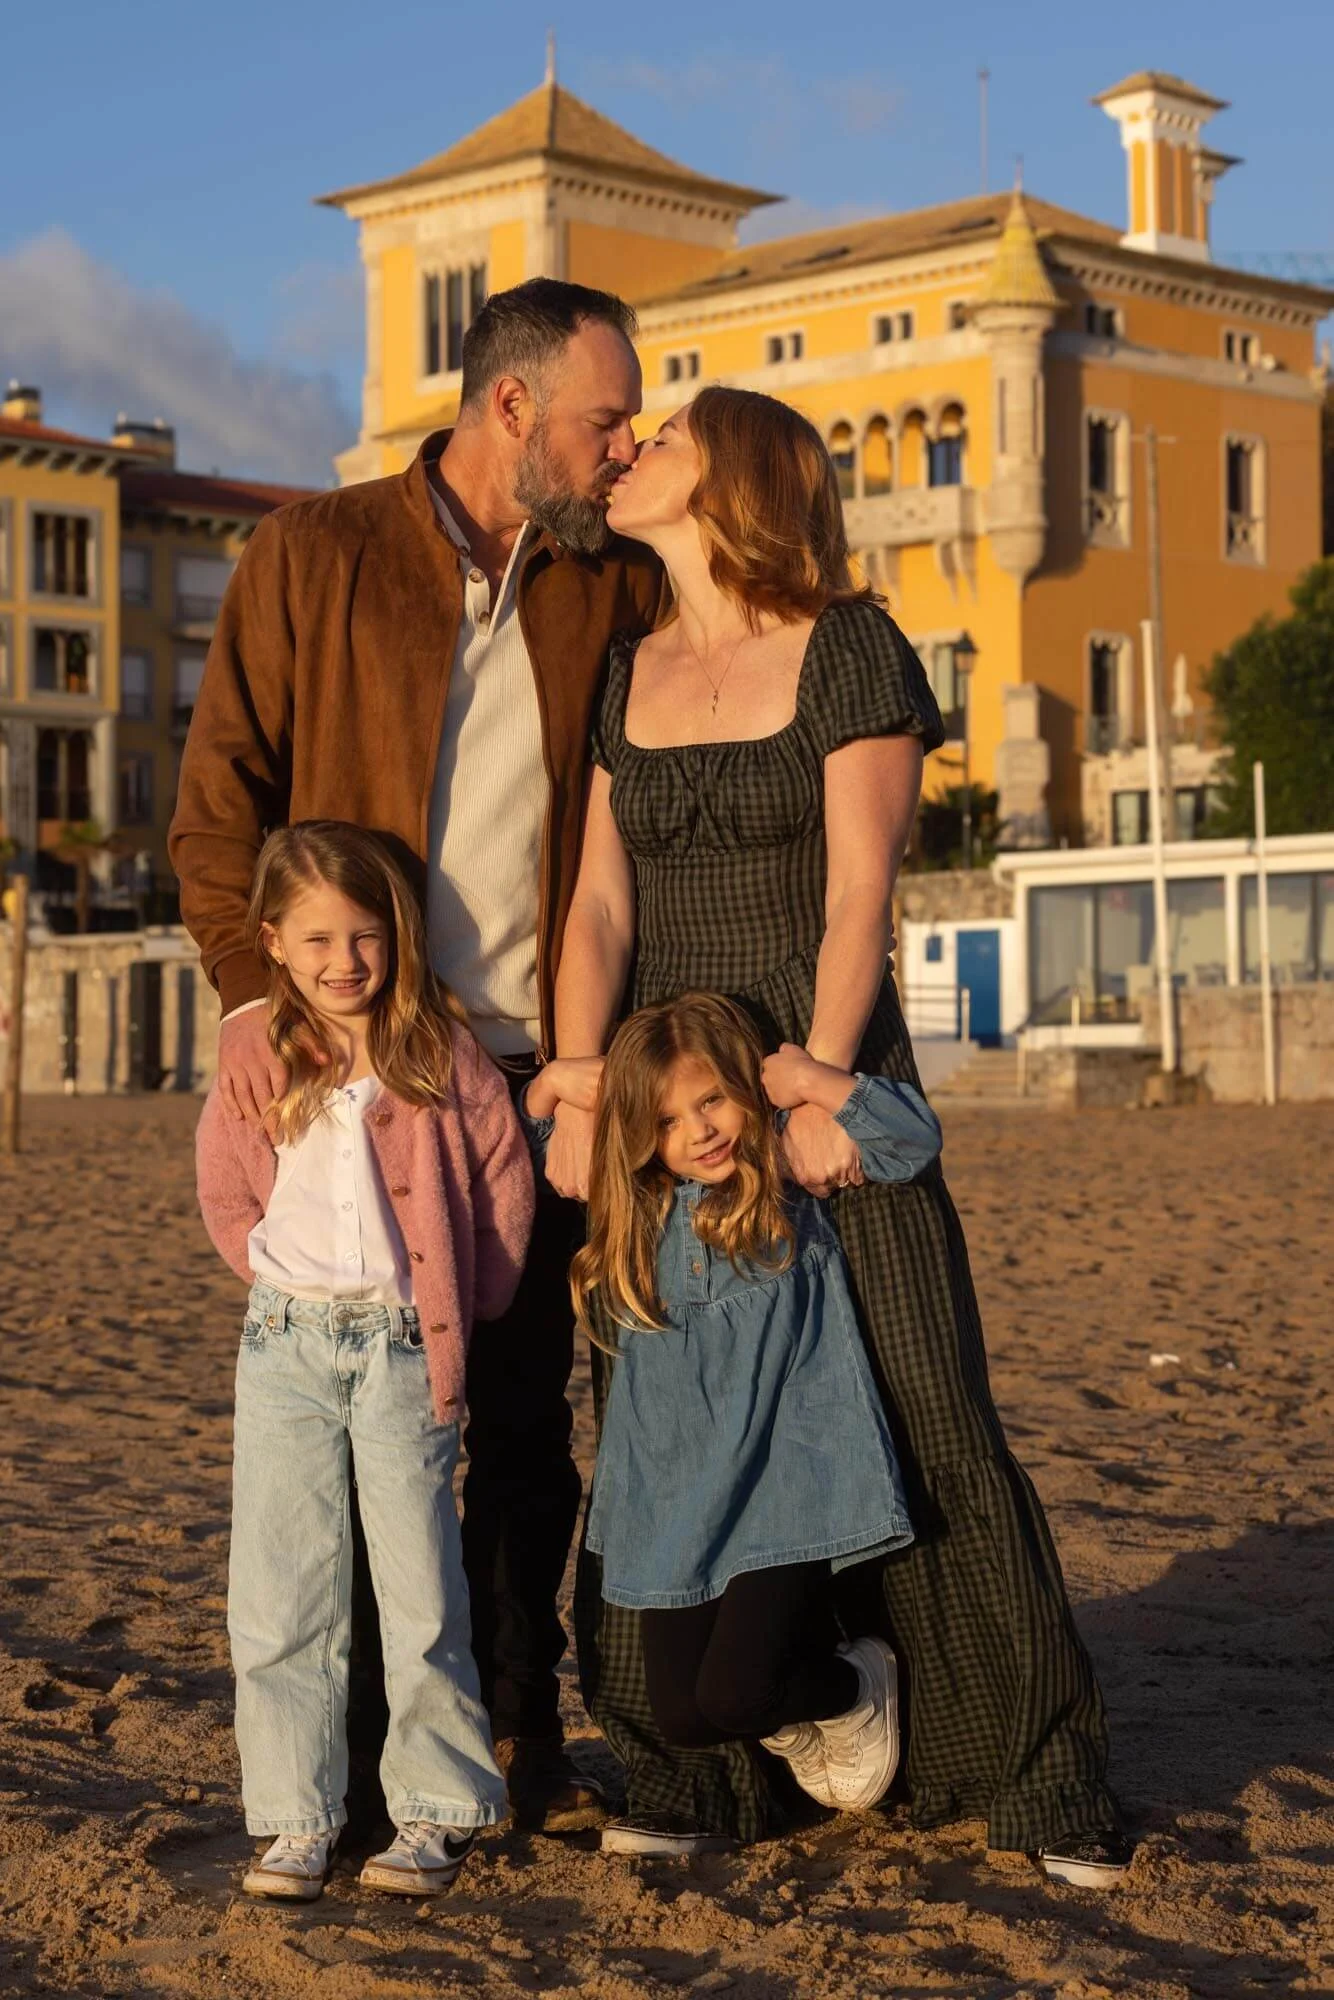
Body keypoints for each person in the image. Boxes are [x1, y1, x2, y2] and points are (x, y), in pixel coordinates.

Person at [547, 385, 1136, 1888]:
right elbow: (599, 905)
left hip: (820, 1107)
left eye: (662, 434)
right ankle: (700, 1767)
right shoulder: (628, 669)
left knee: (925, 1410)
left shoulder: (849, 647)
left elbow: (861, 892)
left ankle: (1029, 1766)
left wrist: (810, 1084)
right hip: (666, 1125)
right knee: (663, 1434)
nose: (630, 450)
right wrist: (572, 1090)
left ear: (736, 476)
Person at [170, 278, 670, 1831]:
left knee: (525, 1432)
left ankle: (522, 1740)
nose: (623, 445)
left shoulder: (615, 587)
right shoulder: (309, 554)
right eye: (603, 419)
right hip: (354, 1087)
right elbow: (214, 813)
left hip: (539, 1078)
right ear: (509, 407)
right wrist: (270, 1016)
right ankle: (379, 1761)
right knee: (357, 1454)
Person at [195, 821, 534, 1900]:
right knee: (281, 1587)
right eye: (318, 938)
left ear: (397, 934)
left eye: (366, 933)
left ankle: (432, 1809)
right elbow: (223, 1186)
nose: (345, 959)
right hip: (285, 1343)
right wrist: (269, 1271)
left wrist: (465, 1305)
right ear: (275, 944)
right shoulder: (263, 1059)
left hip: (403, 1348)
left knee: (419, 1583)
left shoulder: (438, 1052)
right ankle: (296, 1815)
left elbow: (502, 1183)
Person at [524, 994, 940, 1836]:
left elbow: (912, 1140)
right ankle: (798, 1716)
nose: (700, 1130)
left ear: (744, 1092)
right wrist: (550, 1091)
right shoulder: (630, 1211)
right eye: (670, 1119)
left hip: (787, 1478)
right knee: (682, 1716)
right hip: (677, 1492)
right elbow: (521, 1149)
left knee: (736, 1692)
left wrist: (814, 1080)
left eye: (711, 1099)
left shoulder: (780, 1178)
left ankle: (854, 1685)